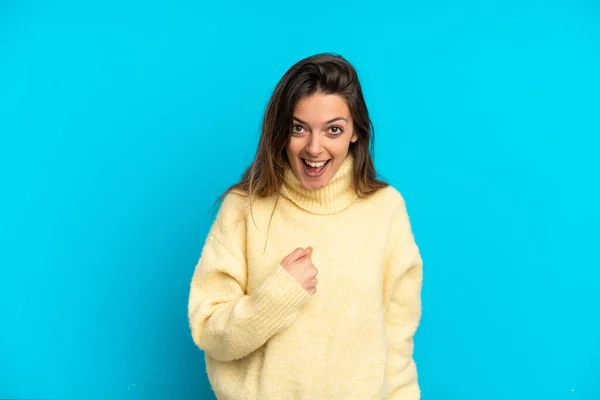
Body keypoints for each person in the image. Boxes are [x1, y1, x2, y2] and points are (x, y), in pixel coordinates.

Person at [187, 53, 423, 400]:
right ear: (282, 131)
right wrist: (276, 298)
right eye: (299, 128)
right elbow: (208, 329)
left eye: (334, 129)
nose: (315, 148)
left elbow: (398, 345)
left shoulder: (386, 210)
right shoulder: (245, 207)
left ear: (355, 131)